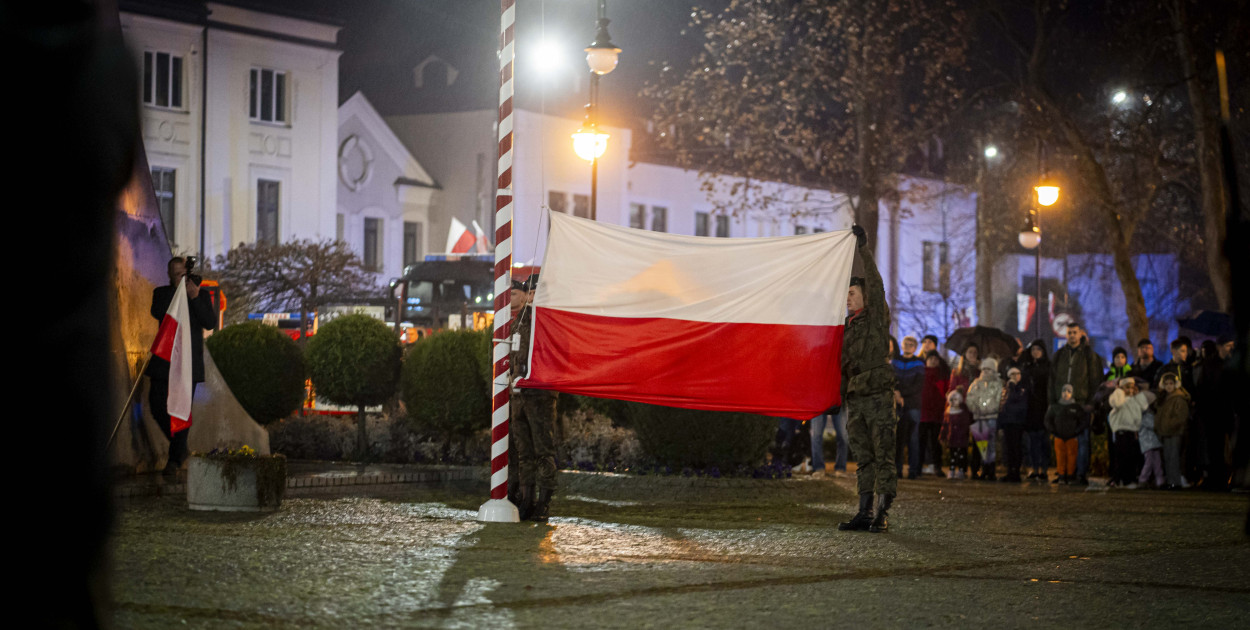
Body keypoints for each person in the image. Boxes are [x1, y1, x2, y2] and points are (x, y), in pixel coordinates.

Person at [837, 225, 899, 534]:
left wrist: (863, 249)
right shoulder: (846, 328)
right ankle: (864, 510)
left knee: (883, 454)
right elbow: (843, 367)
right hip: (856, 399)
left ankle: (882, 512)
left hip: (877, 396)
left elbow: (875, 283)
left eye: (852, 293)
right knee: (863, 457)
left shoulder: (875, 319)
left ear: (865, 296)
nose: (848, 298)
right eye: (846, 294)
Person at [147, 256, 218, 478]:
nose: (180, 278)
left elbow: (210, 322)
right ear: (169, 276)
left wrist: (194, 297)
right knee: (156, 405)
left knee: (181, 411)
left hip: (188, 363)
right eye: (176, 275)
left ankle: (174, 460)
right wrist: (179, 294)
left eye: (183, 274)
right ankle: (179, 447)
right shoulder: (162, 293)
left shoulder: (199, 295)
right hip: (164, 361)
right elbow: (157, 312)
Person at [510, 274, 559, 521]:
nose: (531, 296)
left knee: (543, 450)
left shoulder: (551, 321)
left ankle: (544, 503)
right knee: (524, 452)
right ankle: (527, 500)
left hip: (541, 393)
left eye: (535, 292)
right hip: (519, 394)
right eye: (529, 292)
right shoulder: (521, 320)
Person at [1049, 322, 1102, 485]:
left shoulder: (1089, 355)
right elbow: (1052, 380)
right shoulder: (1059, 355)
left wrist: (1091, 403)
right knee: (1063, 441)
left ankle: (1080, 474)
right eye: (1069, 332)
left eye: (1074, 332)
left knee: (1082, 440)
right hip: (1062, 404)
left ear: (1080, 334)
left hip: (1081, 404)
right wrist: (1052, 402)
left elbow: (1095, 380)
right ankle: (1065, 473)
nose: (1072, 335)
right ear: (1066, 335)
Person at [1195, 338, 1232, 490]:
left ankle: (1228, 478)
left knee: (1228, 447)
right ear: (1219, 347)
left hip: (1229, 412)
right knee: (1214, 447)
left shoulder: (1233, 364)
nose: (1231, 348)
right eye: (1228, 345)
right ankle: (1217, 479)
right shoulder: (1210, 365)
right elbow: (1202, 388)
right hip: (1213, 412)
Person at [892, 336, 926, 479]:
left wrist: (902, 395)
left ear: (915, 348)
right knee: (898, 439)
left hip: (913, 405)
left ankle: (913, 470)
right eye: (906, 343)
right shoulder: (895, 361)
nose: (908, 346)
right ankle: (897, 469)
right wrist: (896, 393)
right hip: (897, 405)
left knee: (913, 439)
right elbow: (892, 379)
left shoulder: (919, 363)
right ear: (902, 345)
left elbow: (918, 385)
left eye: (911, 344)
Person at [1107, 377, 1150, 488]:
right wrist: (1119, 391)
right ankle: (1120, 479)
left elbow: (1144, 406)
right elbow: (1117, 404)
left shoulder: (1135, 399)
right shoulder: (1118, 396)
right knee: (1121, 455)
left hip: (1132, 430)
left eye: (1132, 387)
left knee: (1131, 456)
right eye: (1127, 387)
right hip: (1121, 429)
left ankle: (1129, 479)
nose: (1130, 390)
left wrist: (1138, 395)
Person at [966, 358, 1004, 481]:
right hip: (979, 417)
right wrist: (976, 409)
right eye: (984, 369)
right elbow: (970, 398)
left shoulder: (998, 384)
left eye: (989, 369)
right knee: (981, 445)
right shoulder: (976, 383)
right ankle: (982, 469)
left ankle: (990, 470)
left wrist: (990, 409)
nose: (986, 371)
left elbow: (999, 399)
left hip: (992, 417)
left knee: (991, 444)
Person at [1045, 384, 1089, 485]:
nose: (1066, 393)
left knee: (1072, 457)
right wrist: (1053, 430)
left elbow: (1083, 421)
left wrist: (1076, 431)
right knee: (1060, 456)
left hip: (1072, 437)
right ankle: (1061, 475)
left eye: (1069, 391)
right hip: (1059, 436)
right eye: (1064, 391)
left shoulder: (1076, 407)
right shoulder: (1055, 407)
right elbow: (1048, 420)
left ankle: (1070, 475)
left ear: (1072, 393)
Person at [1155, 373, 1191, 489]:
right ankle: (1171, 481)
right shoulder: (1164, 398)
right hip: (1166, 433)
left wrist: (1167, 426)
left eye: (1171, 383)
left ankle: (1175, 482)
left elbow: (1180, 417)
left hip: (1175, 432)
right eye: (1166, 384)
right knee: (1168, 457)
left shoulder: (1179, 398)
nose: (1169, 386)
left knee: (1173, 457)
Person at [1021, 340, 1051, 481]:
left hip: (1044, 407)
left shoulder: (1048, 367)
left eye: (1038, 349)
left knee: (1044, 440)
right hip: (1031, 408)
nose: (1036, 352)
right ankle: (1034, 468)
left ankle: (1044, 469)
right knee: (1032, 441)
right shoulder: (1027, 367)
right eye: (1033, 349)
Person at [919, 351, 950, 477]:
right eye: (930, 358)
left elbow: (947, 391)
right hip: (922, 413)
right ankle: (918, 465)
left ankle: (937, 466)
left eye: (935, 358)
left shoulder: (942, 374)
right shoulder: (921, 373)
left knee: (936, 442)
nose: (932, 360)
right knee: (921, 441)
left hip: (937, 413)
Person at [1000, 367, 1030, 482]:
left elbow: (1017, 401)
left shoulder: (1021, 389)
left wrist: (1013, 388)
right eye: (1012, 374)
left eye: (1017, 374)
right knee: (1009, 448)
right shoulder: (1006, 389)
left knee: (1016, 447)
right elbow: (1004, 404)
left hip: (1017, 422)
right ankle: (1010, 471)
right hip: (1007, 422)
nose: (1015, 376)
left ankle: (1016, 472)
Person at [940, 390, 972, 479]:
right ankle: (952, 469)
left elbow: (966, 424)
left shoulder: (963, 413)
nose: (953, 402)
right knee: (952, 455)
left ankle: (961, 470)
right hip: (952, 438)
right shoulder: (948, 412)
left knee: (962, 455)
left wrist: (965, 434)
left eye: (955, 399)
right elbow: (945, 425)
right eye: (951, 400)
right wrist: (942, 436)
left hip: (961, 439)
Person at [1138, 395, 1165, 489]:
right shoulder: (1145, 415)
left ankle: (1159, 480)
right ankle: (1144, 479)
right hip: (1148, 442)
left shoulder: (1146, 414)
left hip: (1151, 442)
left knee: (1156, 461)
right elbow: (1153, 425)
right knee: (1150, 461)